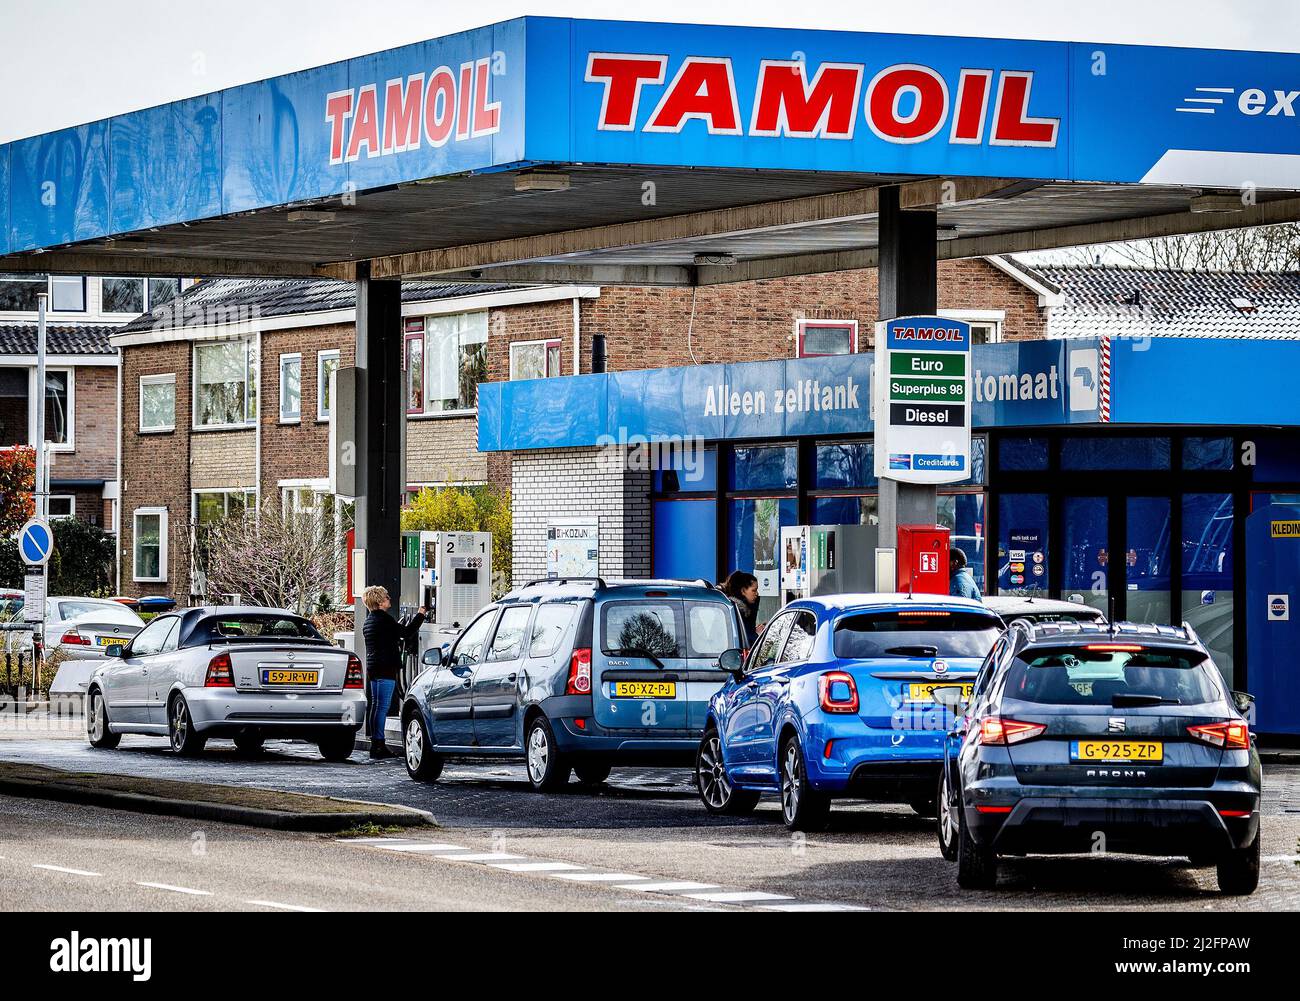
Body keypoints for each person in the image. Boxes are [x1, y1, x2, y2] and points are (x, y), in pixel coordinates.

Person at [360, 586, 426, 760]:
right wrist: (420, 614)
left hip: (373, 667)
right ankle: (379, 745)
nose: (390, 599)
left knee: (375, 706)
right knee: (382, 707)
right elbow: (406, 632)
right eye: (387, 597)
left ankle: (376, 743)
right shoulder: (384, 620)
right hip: (385, 667)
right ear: (380, 601)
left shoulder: (369, 621)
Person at [723, 570, 760, 647]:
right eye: (754, 590)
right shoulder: (738, 611)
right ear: (743, 591)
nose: (757, 594)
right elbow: (748, 639)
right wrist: (759, 635)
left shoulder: (734, 608)